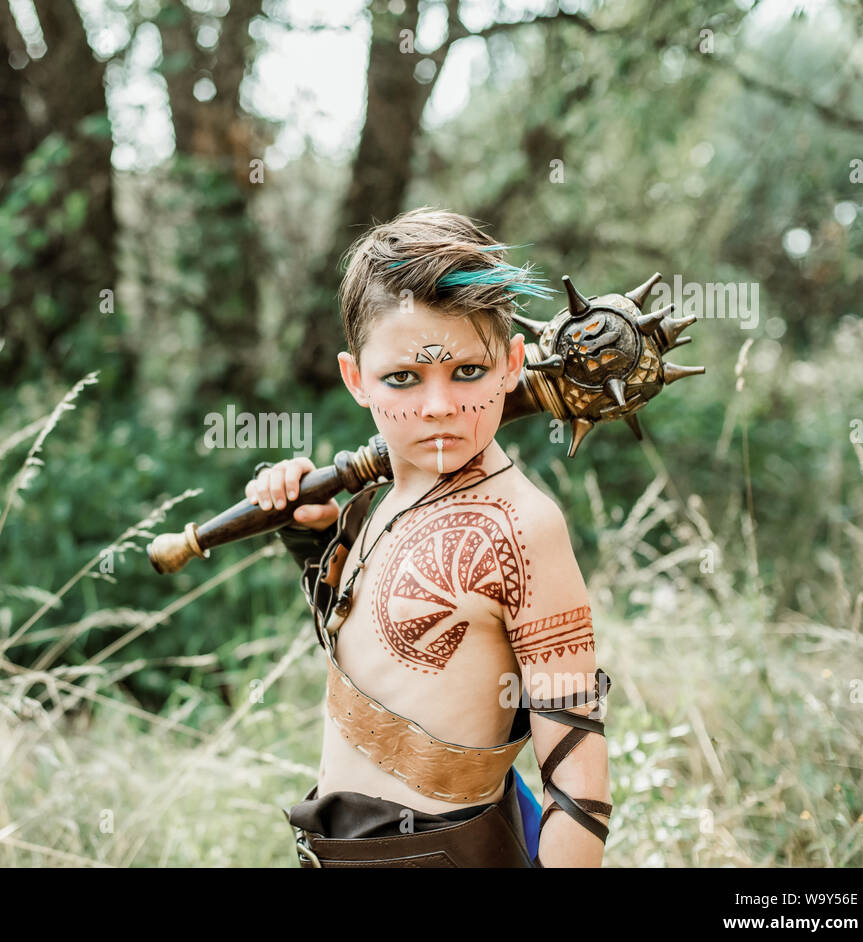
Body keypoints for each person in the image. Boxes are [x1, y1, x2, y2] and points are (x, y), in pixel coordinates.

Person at [248, 207, 613, 867]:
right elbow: (374, 647)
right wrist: (316, 538)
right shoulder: (380, 503)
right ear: (356, 379)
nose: (439, 407)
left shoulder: (524, 526)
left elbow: (579, 792)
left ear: (512, 364)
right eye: (403, 378)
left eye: (467, 371)